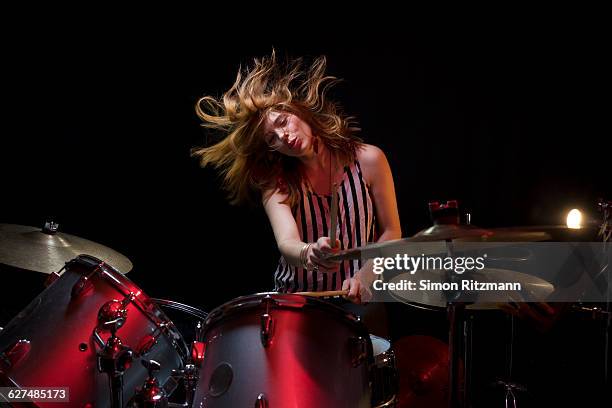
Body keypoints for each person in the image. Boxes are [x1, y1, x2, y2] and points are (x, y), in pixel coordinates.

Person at [192, 52, 401, 304]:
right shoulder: (276, 181)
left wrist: (365, 275)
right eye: (272, 138)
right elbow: (287, 242)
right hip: (299, 302)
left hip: (359, 299)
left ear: (298, 110)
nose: (284, 137)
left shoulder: (369, 160)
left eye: (283, 121)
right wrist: (309, 252)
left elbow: (391, 232)